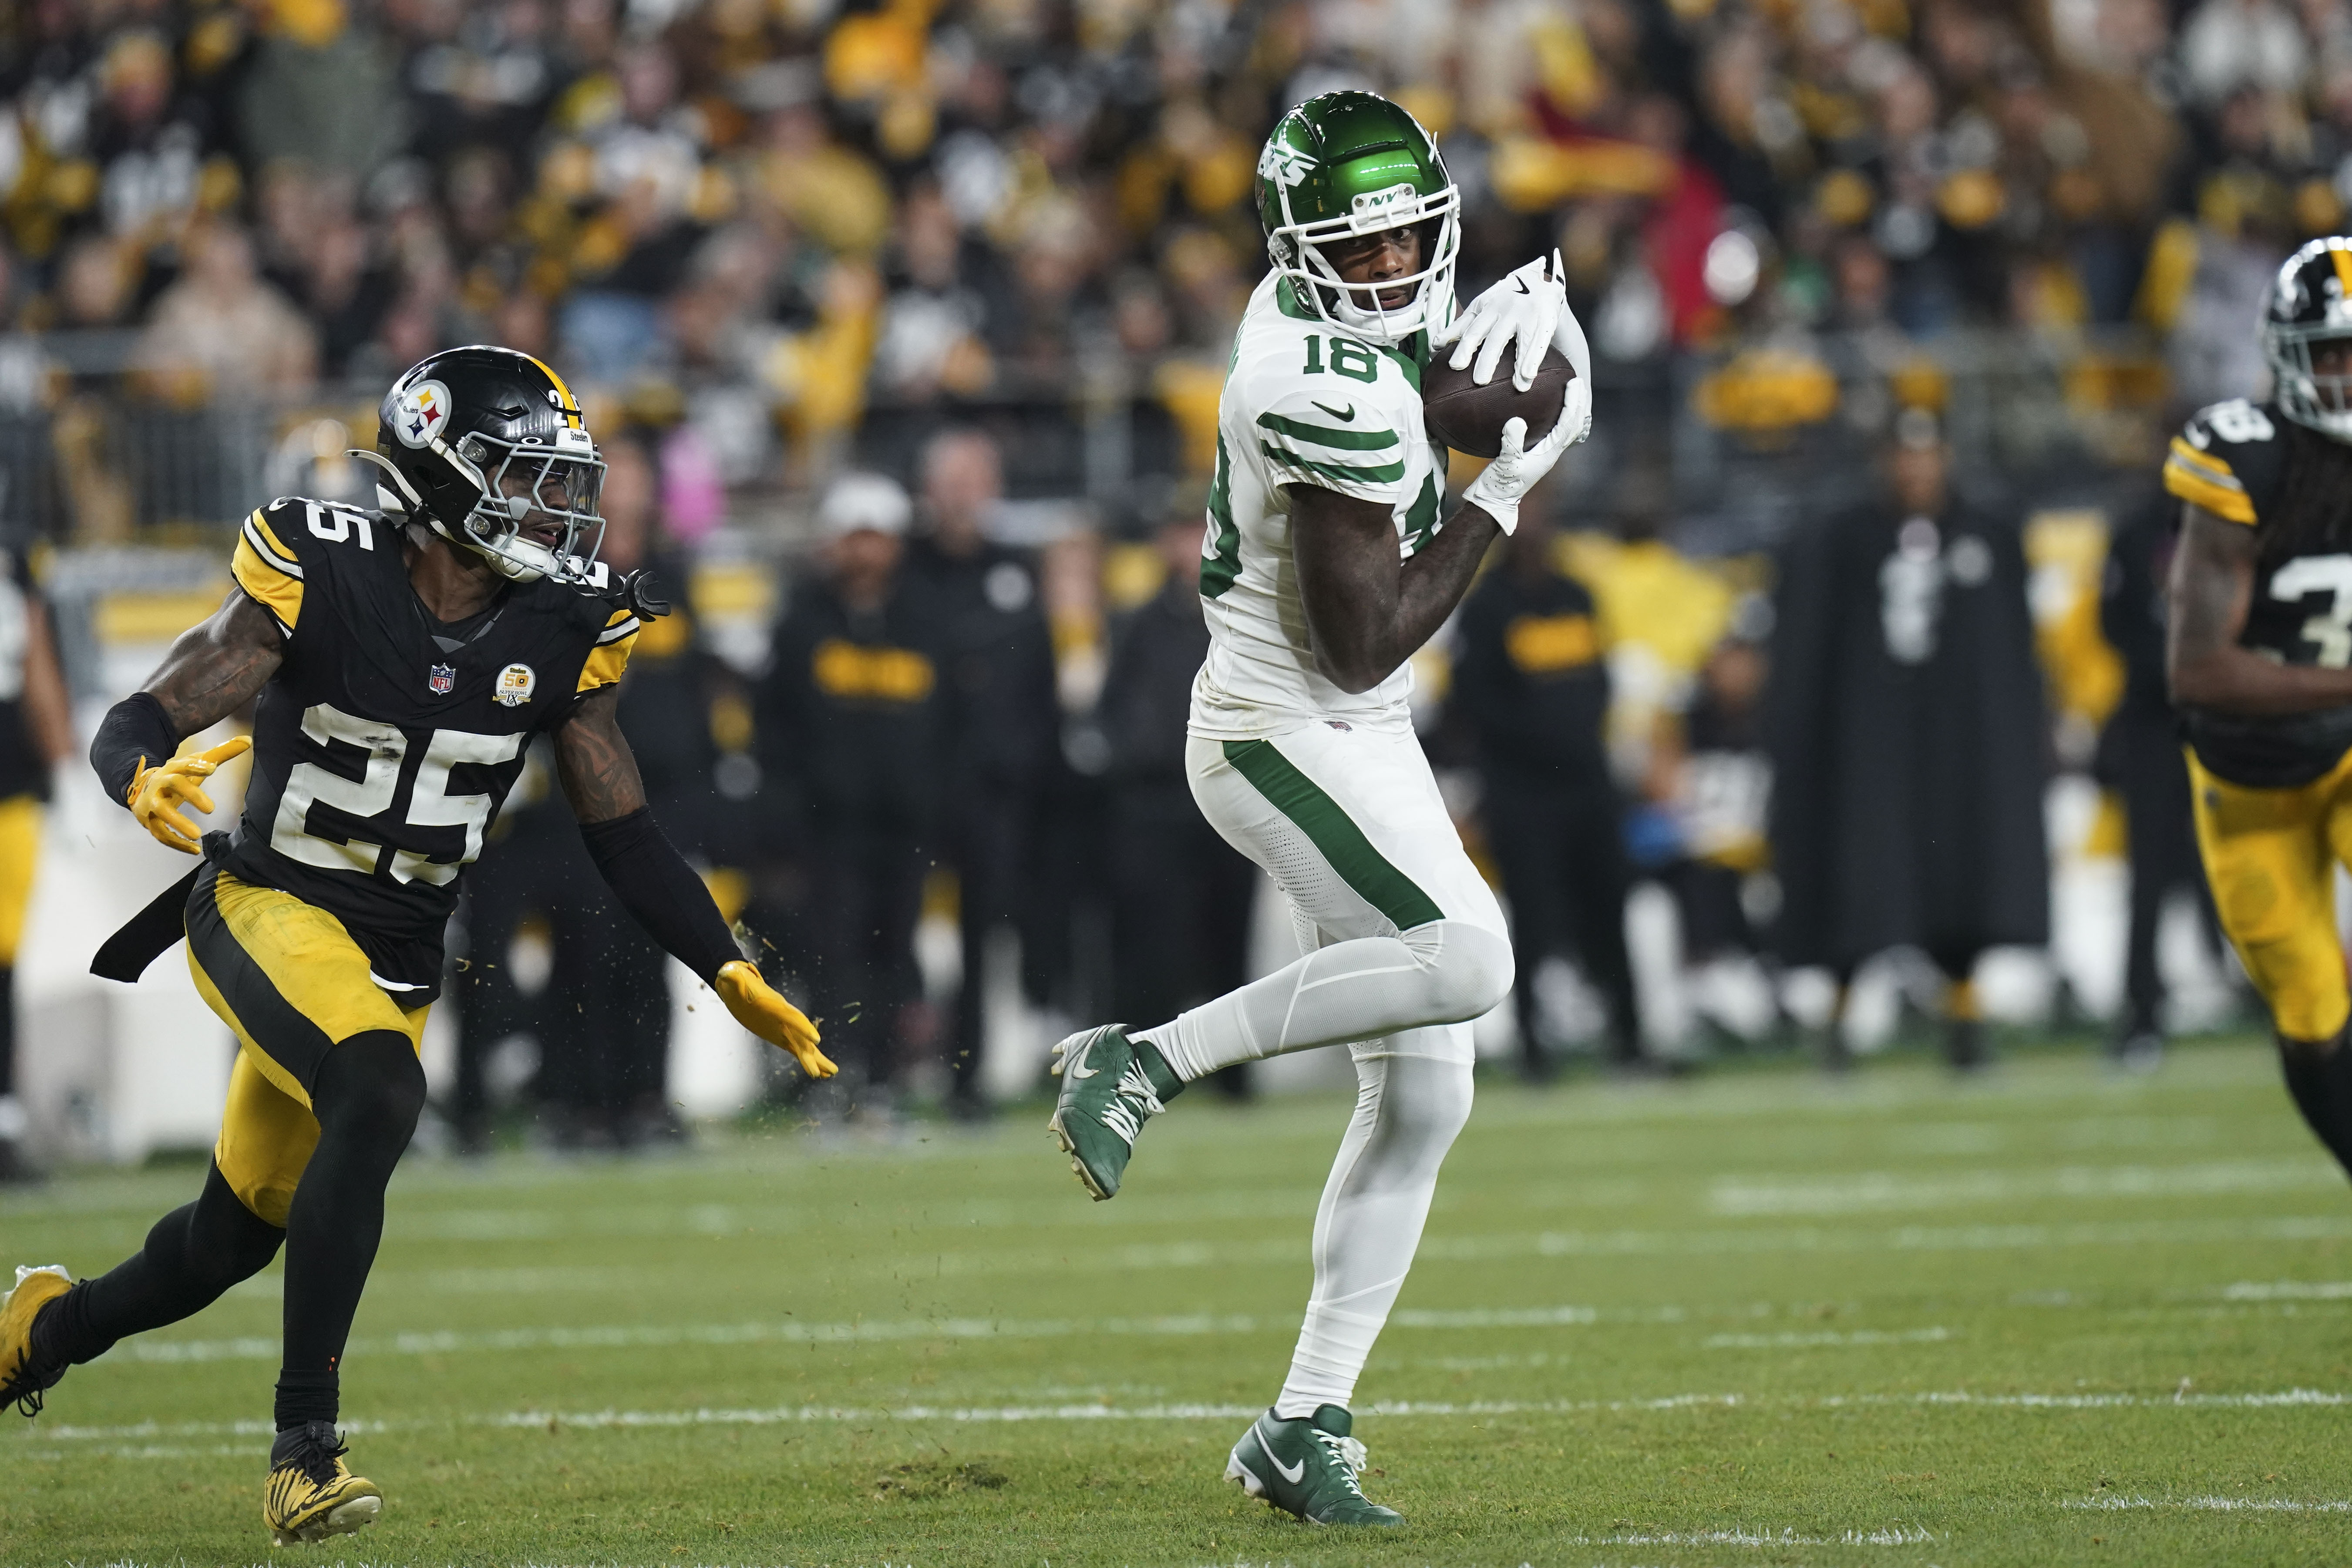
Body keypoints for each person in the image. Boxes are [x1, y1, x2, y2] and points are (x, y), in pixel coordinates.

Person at [0, 347, 833, 1545]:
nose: (558, 505)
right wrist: (135, 768)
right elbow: (160, 703)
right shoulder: (324, 566)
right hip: (266, 907)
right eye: (525, 475)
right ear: (442, 476)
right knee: (381, 1086)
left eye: (563, 479)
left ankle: (40, 1331)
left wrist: (725, 962)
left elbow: (624, 831)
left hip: (394, 955)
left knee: (228, 1238)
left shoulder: (566, 622)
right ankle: (304, 1451)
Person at [1042, 91, 1590, 1526]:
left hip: (1356, 728)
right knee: (1470, 958)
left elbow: (1415, 369)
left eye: (1410, 235)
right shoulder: (1309, 382)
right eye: (1359, 247)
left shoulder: (1347, 326)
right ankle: (1143, 1060)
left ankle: (1302, 1423)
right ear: (1297, 253)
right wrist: (1509, 480)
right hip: (1279, 725)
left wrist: (1497, 359)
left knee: (1429, 1089)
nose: (1393, 265)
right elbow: (1366, 638)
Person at [1765, 406, 2049, 1070]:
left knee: (1961, 876)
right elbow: (1805, 652)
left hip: (1957, 744)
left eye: (1927, 455)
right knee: (1860, 878)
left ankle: (1966, 1019)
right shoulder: (1838, 539)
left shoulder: (1988, 534)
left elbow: (2015, 654)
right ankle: (1838, 1024)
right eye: (1904, 455)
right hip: (1871, 744)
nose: (1915, 469)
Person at [2163, 234, 2352, 1185]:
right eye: (2334, 354)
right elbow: (2199, 671)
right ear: (2286, 355)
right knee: (2310, 1004)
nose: (2351, 377)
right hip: (2249, 774)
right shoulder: (2248, 458)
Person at [759, 472, 941, 1111]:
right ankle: (831, 1078)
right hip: (825, 827)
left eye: (877, 538)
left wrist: (931, 802)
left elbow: (948, 726)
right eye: (855, 537)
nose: (866, 552)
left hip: (903, 826)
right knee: (828, 957)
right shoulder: (801, 622)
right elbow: (773, 727)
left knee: (894, 953)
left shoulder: (925, 620)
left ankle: (884, 1080)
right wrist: (785, 819)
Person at [1452, 497, 1644, 1077]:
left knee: (1609, 911)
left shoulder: (1576, 596)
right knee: (1533, 918)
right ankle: (1534, 1049)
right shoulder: (1486, 608)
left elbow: (1601, 680)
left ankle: (1630, 1041)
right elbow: (1476, 702)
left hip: (1587, 784)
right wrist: (1547, 741)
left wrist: (1577, 740)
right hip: (1522, 792)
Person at [903, 429, 1057, 1118]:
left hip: (995, 787)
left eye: (976, 480)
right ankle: (882, 1069)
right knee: (892, 925)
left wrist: (1025, 760)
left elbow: (1041, 680)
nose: (965, 495)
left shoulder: (1015, 570)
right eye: (953, 481)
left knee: (984, 931)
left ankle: (969, 1077)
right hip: (913, 782)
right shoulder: (904, 569)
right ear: (929, 490)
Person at [1097, 504, 1259, 1099]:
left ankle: (1234, 1075)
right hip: (1158, 802)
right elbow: (1112, 709)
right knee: (1152, 942)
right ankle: (1147, 1070)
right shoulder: (1138, 624)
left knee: (1229, 937)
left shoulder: (1242, 617)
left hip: (1231, 801)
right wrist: (1137, 758)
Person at [2098, 479, 2217, 1069]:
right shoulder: (2134, 529)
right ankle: (2142, 1010)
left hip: (2225, 714)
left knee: (2237, 859)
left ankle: (2277, 998)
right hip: (2152, 721)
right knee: (2148, 874)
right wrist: (2171, 668)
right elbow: (2111, 621)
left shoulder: (2234, 519)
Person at [0, 541, 75, 1181]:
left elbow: (37, 667)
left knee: (3, 964)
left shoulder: (15, 563)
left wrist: (64, 769)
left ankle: (6, 1123)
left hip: (11, 791)